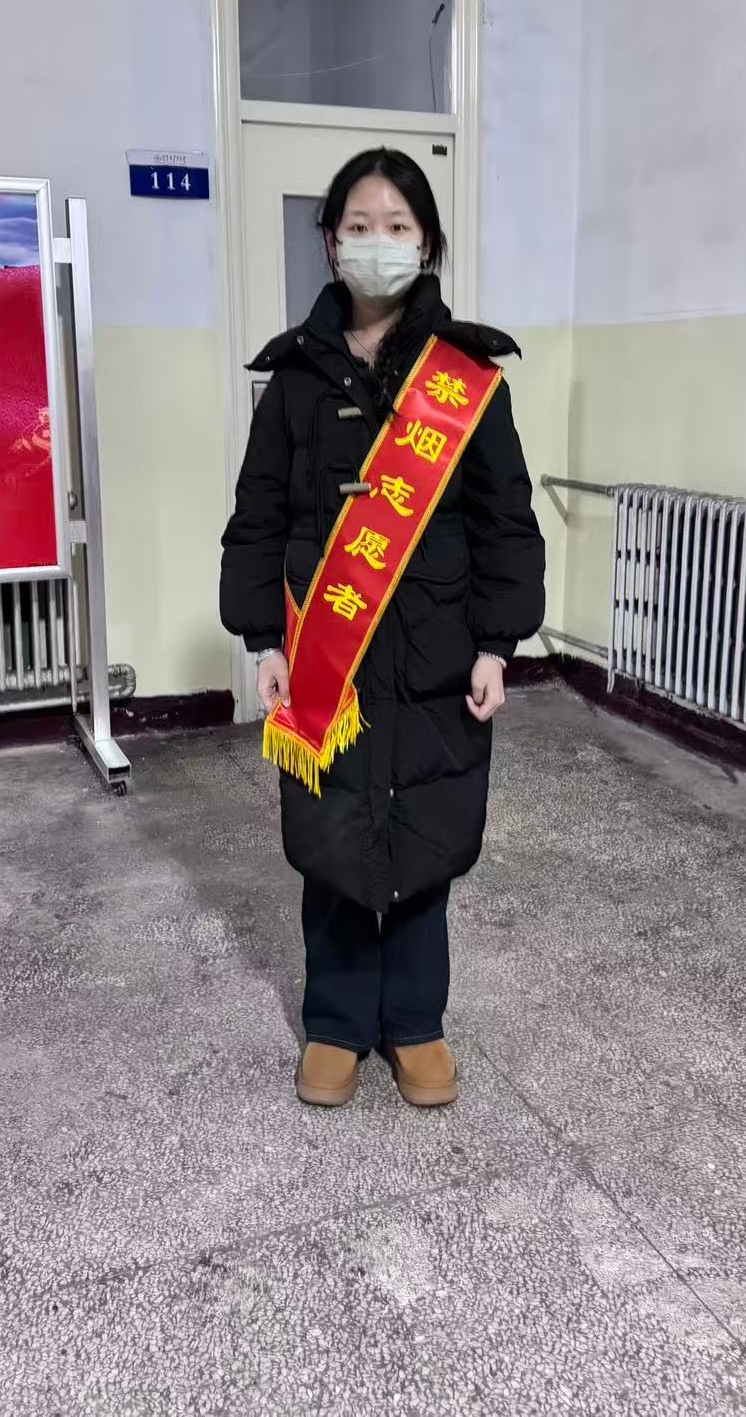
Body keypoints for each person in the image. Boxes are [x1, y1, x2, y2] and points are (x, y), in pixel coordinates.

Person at [220, 148, 544, 1109]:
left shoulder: (467, 379)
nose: (377, 243)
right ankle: (335, 1021)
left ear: (427, 243)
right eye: (358, 226)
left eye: (397, 227)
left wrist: (498, 645)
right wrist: (265, 641)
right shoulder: (294, 380)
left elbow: (505, 520)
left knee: (425, 832)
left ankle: (414, 1021)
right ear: (331, 243)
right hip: (329, 655)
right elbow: (259, 515)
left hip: (440, 651)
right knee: (332, 835)